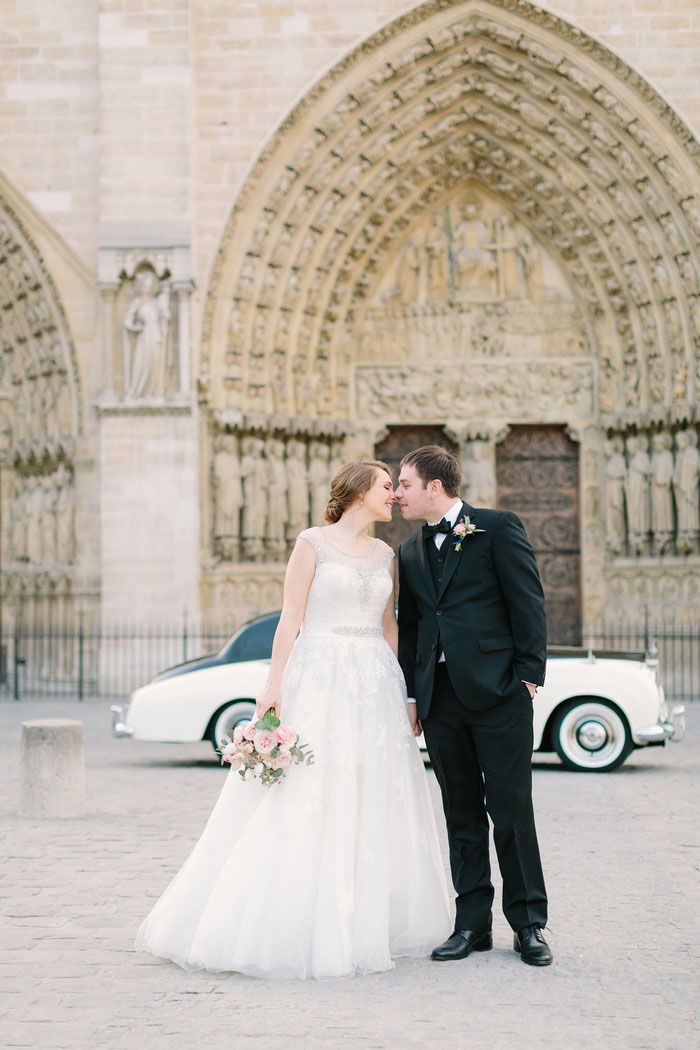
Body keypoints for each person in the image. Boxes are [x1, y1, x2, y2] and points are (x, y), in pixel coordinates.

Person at [135, 461, 450, 979]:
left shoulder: (385, 553)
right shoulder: (312, 544)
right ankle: (296, 918)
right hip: (320, 674)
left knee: (369, 790)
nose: (393, 494)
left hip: (373, 680)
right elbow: (291, 617)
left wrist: (404, 692)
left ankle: (360, 917)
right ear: (357, 491)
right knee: (309, 789)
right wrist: (274, 683)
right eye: (386, 486)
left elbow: (390, 624)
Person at [395, 445, 552, 967]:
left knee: (510, 811)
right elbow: (414, 625)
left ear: (433, 487)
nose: (398, 494)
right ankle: (472, 925)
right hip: (441, 703)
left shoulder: (498, 526)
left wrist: (528, 678)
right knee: (460, 812)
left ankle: (529, 924)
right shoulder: (410, 551)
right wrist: (415, 695)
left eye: (405, 485)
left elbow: (527, 600)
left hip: (500, 696)